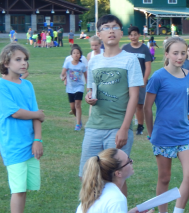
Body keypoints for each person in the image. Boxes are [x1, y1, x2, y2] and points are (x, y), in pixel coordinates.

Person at [81, 15, 143, 199]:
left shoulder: (130, 60)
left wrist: (125, 128)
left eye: (115, 27)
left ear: (121, 33)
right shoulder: (93, 61)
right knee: (88, 175)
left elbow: (134, 96)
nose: (111, 30)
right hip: (94, 126)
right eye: (106, 27)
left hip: (118, 127)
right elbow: (92, 91)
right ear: (99, 34)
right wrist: (89, 98)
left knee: (117, 178)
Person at [144, 37, 189, 213]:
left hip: (184, 133)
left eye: (183, 53)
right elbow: (147, 108)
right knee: (164, 178)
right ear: (166, 54)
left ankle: (178, 211)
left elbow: (187, 102)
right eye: (175, 53)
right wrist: (151, 134)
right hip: (163, 134)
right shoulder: (158, 76)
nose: (179, 57)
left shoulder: (188, 76)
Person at [0, 43, 45, 213]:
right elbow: (15, 113)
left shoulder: (27, 85)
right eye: (18, 59)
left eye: (25, 59)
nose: (24, 63)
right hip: (13, 145)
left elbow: (36, 113)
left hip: (29, 144)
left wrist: (37, 140)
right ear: (6, 63)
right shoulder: (0, 85)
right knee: (18, 190)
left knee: (24, 189)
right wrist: (37, 114)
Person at [76, 148, 144, 213]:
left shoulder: (97, 192)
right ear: (118, 173)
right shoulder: (116, 198)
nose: (132, 161)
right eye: (128, 161)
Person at [121, 26, 152, 136]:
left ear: (139, 35)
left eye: (135, 34)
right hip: (127, 82)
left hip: (139, 82)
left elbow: (148, 66)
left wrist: (144, 80)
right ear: (128, 36)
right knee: (126, 104)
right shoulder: (125, 49)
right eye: (131, 35)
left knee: (139, 105)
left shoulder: (144, 49)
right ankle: (126, 125)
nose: (133, 37)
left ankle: (140, 126)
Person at [61, 45, 87, 131]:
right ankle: (79, 120)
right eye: (74, 53)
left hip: (79, 87)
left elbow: (86, 76)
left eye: (77, 53)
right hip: (70, 87)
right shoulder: (67, 63)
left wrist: (88, 86)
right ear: (71, 55)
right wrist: (63, 77)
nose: (76, 54)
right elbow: (63, 73)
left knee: (77, 105)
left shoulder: (82, 65)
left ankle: (78, 124)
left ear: (80, 55)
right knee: (73, 107)